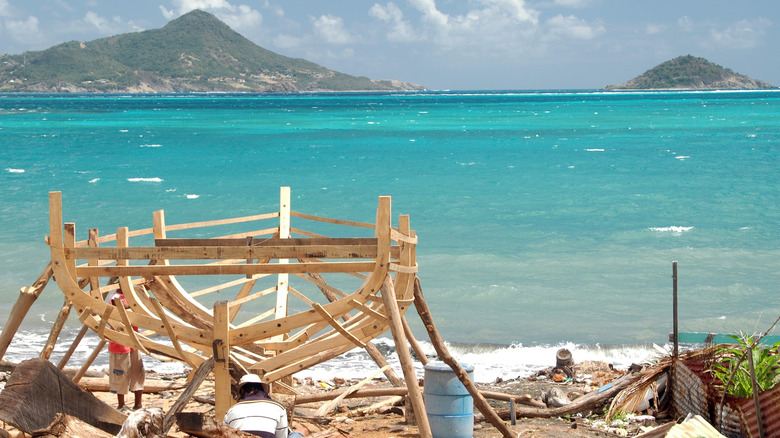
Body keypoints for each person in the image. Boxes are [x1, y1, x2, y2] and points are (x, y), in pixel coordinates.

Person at [223, 374, 306, 438]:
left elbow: (225, 434)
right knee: (302, 431)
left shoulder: (231, 410)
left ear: (242, 390)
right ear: (262, 389)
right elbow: (281, 436)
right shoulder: (278, 408)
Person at [107, 287, 145, 413]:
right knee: (121, 375)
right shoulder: (115, 297)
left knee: (138, 372)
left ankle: (138, 405)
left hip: (133, 341)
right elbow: (125, 306)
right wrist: (140, 294)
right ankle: (121, 405)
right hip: (120, 344)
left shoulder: (131, 296)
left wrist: (142, 291)